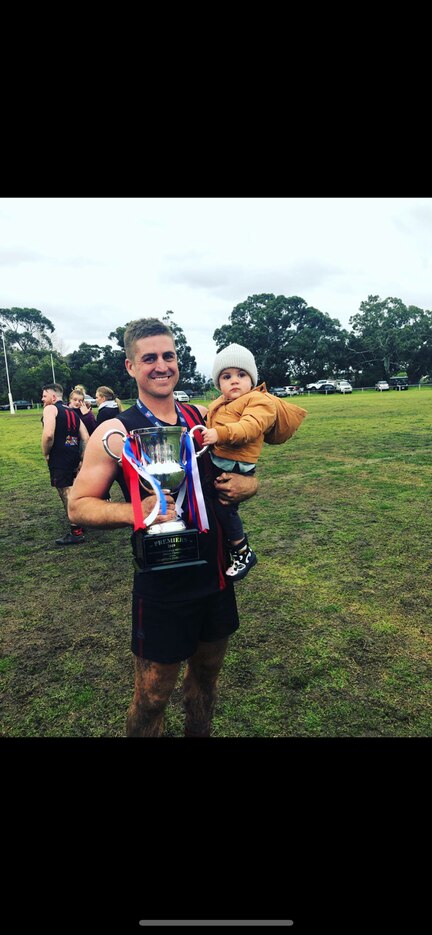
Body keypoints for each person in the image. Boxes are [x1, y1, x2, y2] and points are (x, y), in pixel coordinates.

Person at [68, 318, 258, 737]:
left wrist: (251, 483)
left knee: (206, 682)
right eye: (148, 358)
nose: (161, 365)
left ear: (178, 361)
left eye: (168, 356)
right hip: (162, 585)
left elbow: (244, 464)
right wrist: (141, 511)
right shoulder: (114, 431)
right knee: (153, 696)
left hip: (215, 576)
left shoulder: (204, 416)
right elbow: (78, 507)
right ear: (130, 367)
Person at [201, 343, 277, 581]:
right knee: (210, 502)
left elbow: (249, 428)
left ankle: (242, 550)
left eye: (241, 375)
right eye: (227, 376)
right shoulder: (219, 403)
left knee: (224, 506)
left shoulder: (258, 401)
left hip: (236, 465)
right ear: (218, 383)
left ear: (252, 381)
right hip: (220, 460)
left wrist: (218, 434)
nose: (234, 380)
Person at [41, 382, 89, 545]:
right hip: (73, 456)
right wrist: (82, 457)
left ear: (54, 397)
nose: (42, 399)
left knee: (66, 493)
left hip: (59, 458)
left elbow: (48, 435)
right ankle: (81, 522)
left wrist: (46, 453)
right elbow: (86, 437)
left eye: (45, 395)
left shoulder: (50, 409)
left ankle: (76, 532)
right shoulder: (72, 412)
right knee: (73, 490)